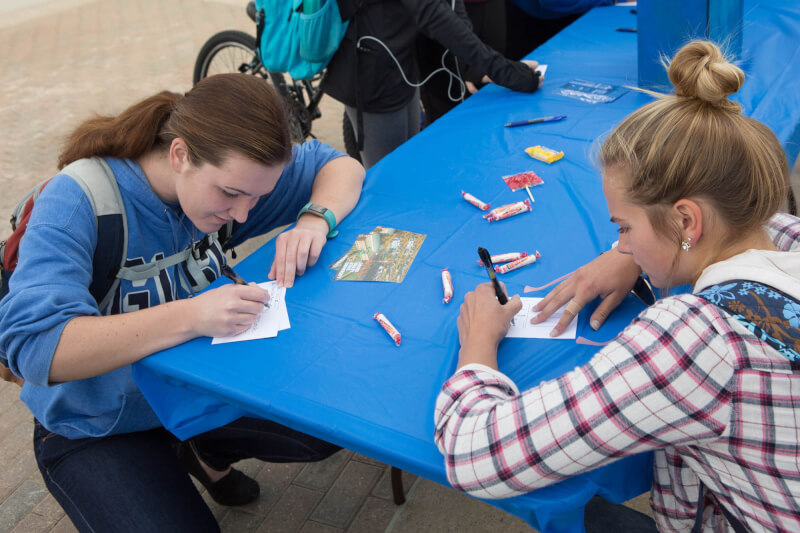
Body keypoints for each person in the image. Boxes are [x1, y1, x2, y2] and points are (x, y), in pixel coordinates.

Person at [434, 40, 800, 532]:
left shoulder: (697, 341)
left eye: (623, 228)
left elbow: (473, 452)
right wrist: (639, 251)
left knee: (573, 511)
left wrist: (478, 345)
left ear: (687, 220)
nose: (621, 246)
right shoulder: (781, 236)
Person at [0, 73, 365, 532]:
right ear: (180, 155)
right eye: (231, 194)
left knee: (332, 421)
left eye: (259, 197)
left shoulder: (234, 180)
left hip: (192, 391)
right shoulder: (78, 200)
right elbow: (35, 347)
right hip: (97, 424)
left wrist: (315, 218)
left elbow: (340, 165)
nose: (243, 214)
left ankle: (204, 451)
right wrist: (191, 316)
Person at [323, 0, 544, 169]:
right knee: (389, 180)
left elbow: (451, 8)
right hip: (373, 78)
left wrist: (476, 68)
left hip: (401, 64)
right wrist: (510, 73)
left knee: (410, 163)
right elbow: (434, 15)